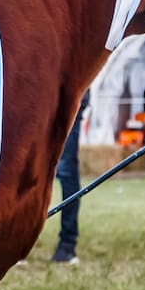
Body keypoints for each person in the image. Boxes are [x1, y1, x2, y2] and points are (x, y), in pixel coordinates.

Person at [51, 90, 89, 264]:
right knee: (28, 171)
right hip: (39, 97)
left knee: (66, 170)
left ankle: (67, 245)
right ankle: (18, 243)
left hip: (70, 98)